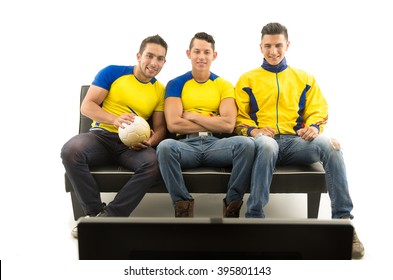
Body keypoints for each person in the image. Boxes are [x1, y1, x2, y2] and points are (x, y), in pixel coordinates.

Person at [234, 22, 364, 259]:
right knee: (266, 143)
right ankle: (254, 220)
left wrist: (314, 127)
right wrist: (253, 131)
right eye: (268, 46)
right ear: (260, 47)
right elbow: (238, 118)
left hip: (296, 143)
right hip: (265, 143)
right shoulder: (247, 79)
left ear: (288, 45)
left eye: (278, 45)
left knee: (331, 146)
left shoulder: (304, 78)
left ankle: (344, 224)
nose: (273, 51)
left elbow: (319, 109)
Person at [61, 35, 168, 238]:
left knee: (153, 163)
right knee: (70, 150)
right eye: (150, 56)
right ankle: (94, 214)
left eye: (160, 58)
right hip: (101, 137)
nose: (154, 63)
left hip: (131, 146)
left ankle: (110, 217)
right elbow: (88, 105)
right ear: (139, 55)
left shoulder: (160, 90)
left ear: (164, 62)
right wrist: (115, 119)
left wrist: (151, 141)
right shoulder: (113, 72)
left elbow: (161, 127)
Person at [156, 32, 255, 218]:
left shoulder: (223, 85)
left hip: (216, 145)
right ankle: (182, 206)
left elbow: (227, 125)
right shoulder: (176, 83)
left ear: (214, 55)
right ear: (188, 54)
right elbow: (174, 124)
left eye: (207, 52)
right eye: (197, 51)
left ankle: (232, 206)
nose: (201, 57)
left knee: (247, 144)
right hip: (186, 146)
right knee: (164, 147)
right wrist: (212, 122)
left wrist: (192, 115)